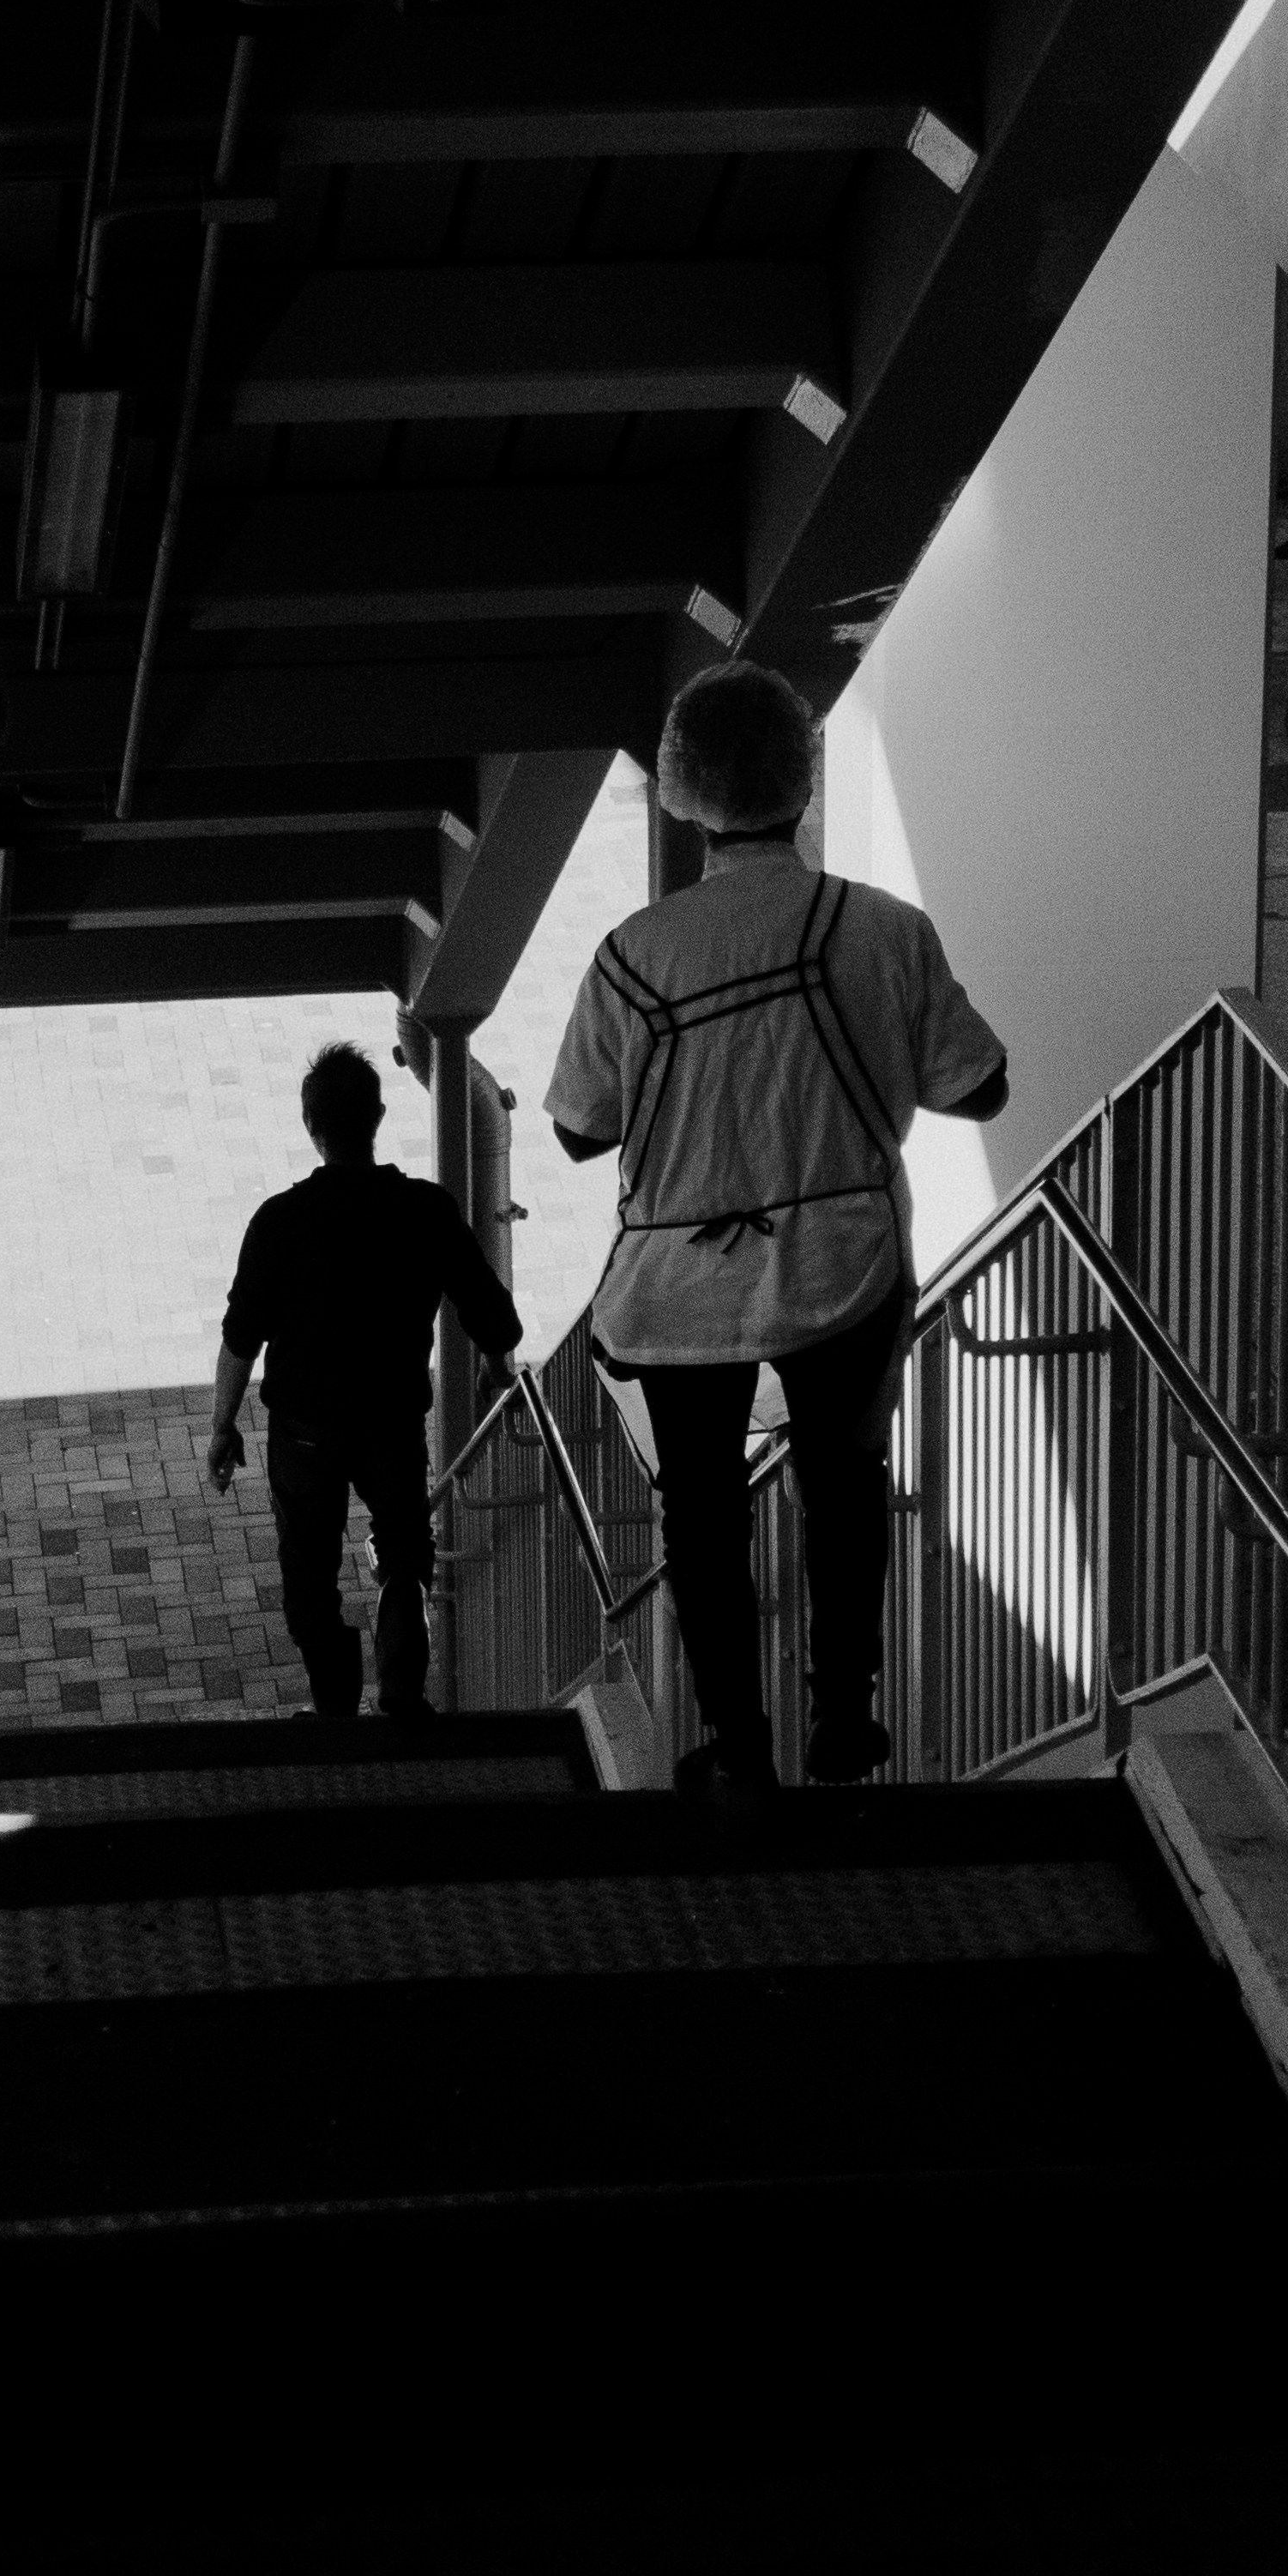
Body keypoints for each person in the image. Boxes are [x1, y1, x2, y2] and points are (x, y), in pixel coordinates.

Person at [546, 665, 1008, 1795]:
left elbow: (575, 1128)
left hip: (682, 1281)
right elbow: (980, 1088)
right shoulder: (885, 930)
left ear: (684, 794)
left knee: (699, 1510)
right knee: (845, 1484)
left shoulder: (634, 954)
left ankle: (740, 1747)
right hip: (847, 1260)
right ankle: (844, 1724)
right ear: (805, 780)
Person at [206, 1043, 523, 1722]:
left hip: (304, 1434)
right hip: (392, 1422)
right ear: (378, 1116)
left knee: (310, 1579)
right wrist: (497, 1368)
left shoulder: (279, 1222)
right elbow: (491, 1311)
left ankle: (335, 1712)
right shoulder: (426, 1210)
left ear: (309, 1124)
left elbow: (240, 1339)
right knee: (406, 1556)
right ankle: (403, 1699)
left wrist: (221, 1425)